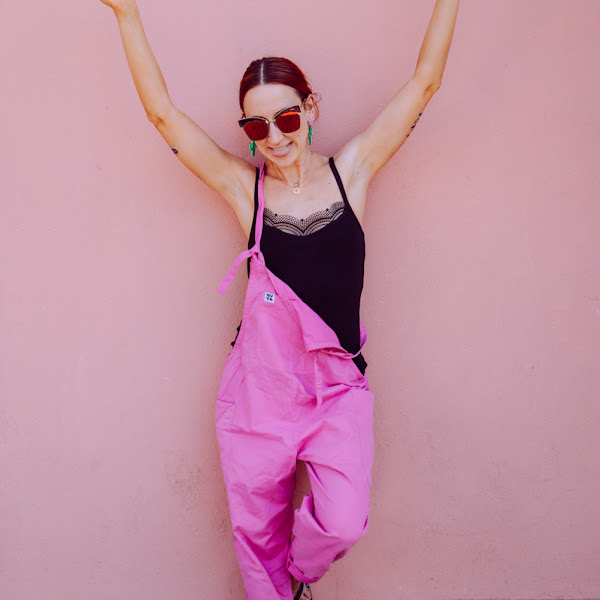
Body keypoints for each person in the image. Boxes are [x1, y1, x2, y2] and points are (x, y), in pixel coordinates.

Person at [99, 1, 460, 598]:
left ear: (310, 109)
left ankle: (297, 575)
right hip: (260, 393)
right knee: (256, 537)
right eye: (257, 127)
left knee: (343, 522)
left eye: (287, 118)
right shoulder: (248, 193)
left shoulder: (353, 173)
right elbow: (164, 116)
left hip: (336, 390)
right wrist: (127, 15)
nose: (275, 137)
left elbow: (424, 83)